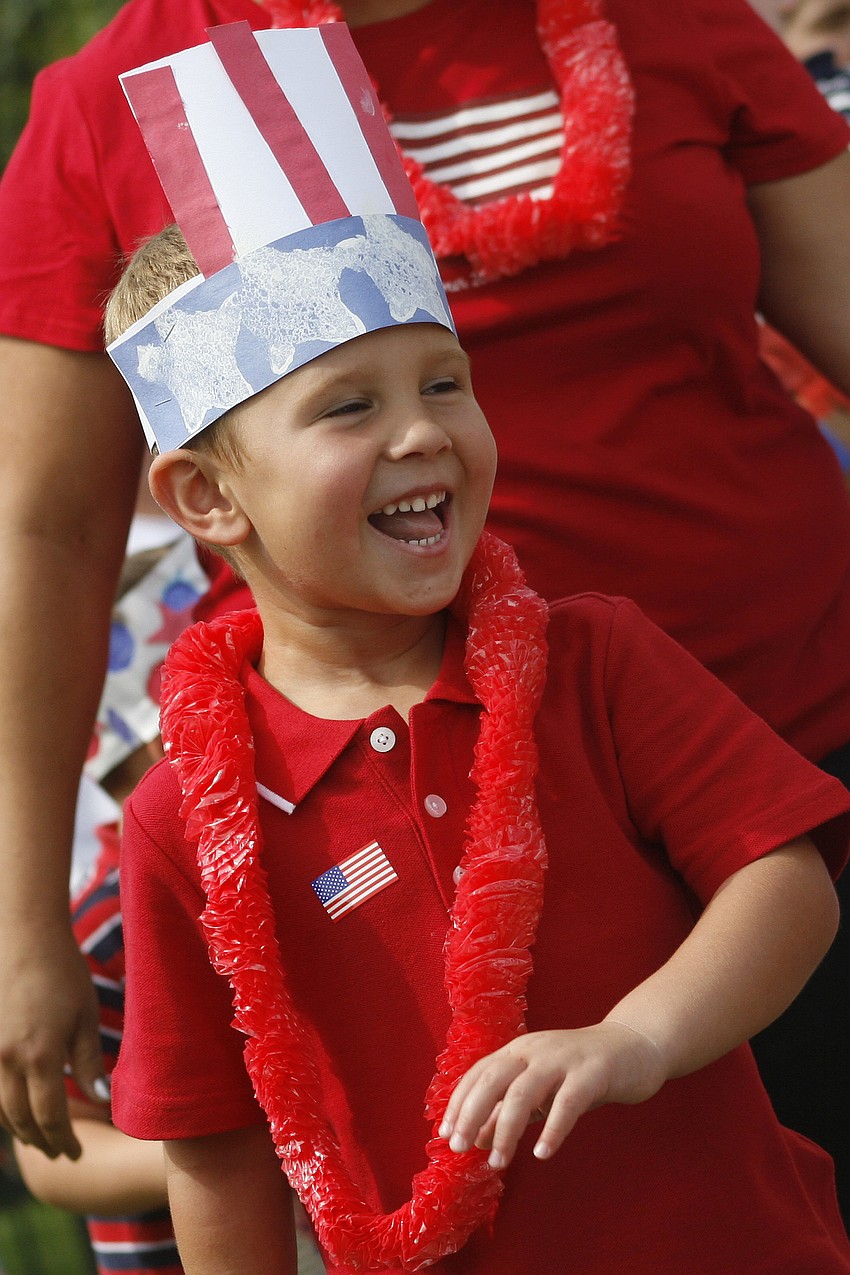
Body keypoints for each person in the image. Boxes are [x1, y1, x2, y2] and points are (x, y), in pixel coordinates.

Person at [4, 0, 850, 1188]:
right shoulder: (112, 94)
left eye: (445, 385)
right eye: (352, 404)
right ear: (201, 496)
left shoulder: (677, 18)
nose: (418, 437)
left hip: (799, 736)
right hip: (376, 832)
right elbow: (48, 527)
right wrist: (20, 908)